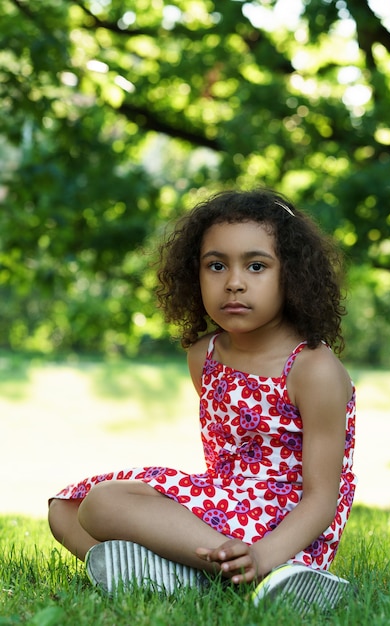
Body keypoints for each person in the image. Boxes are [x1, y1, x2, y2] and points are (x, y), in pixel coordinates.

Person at [48, 189, 356, 612]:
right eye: (216, 265)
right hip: (225, 503)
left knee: (104, 504)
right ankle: (190, 576)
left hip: (286, 528)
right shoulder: (204, 356)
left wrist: (263, 552)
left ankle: (265, 574)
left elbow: (323, 498)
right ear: (195, 275)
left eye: (256, 265)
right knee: (67, 509)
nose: (233, 281)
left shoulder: (313, 368)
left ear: (293, 275)